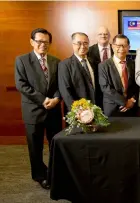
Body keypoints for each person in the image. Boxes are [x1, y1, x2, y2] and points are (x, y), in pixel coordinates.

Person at [15, 28, 62, 189]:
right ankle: (40, 175)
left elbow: (60, 85)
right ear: (32, 42)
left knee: (55, 144)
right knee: (35, 147)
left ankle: (56, 173)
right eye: (39, 41)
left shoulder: (56, 61)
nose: (43, 45)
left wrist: (56, 98)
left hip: (54, 111)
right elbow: (21, 85)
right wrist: (43, 100)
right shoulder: (22, 60)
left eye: (46, 42)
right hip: (33, 112)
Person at [58, 32, 102, 112]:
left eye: (85, 43)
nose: (82, 46)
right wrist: (77, 111)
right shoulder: (65, 65)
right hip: (78, 113)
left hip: (96, 109)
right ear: (73, 44)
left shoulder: (95, 63)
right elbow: (65, 91)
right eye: (79, 43)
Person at [99, 34, 138, 117]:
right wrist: (125, 102)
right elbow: (105, 88)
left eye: (124, 46)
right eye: (118, 46)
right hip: (113, 108)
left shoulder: (133, 64)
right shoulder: (103, 65)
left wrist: (132, 100)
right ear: (113, 46)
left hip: (131, 108)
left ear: (129, 47)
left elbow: (137, 85)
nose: (121, 49)